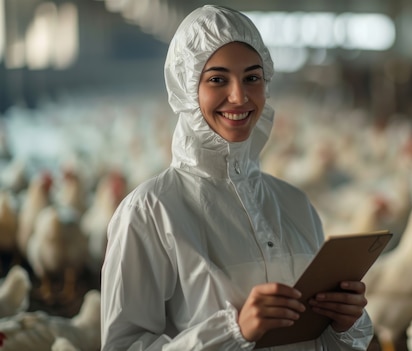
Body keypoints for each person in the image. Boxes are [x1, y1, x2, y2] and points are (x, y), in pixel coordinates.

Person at [100, 4, 373, 350]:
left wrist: (344, 325)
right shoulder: (150, 213)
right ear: (186, 89)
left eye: (252, 78)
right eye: (217, 79)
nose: (239, 96)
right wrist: (232, 332)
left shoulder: (295, 204)